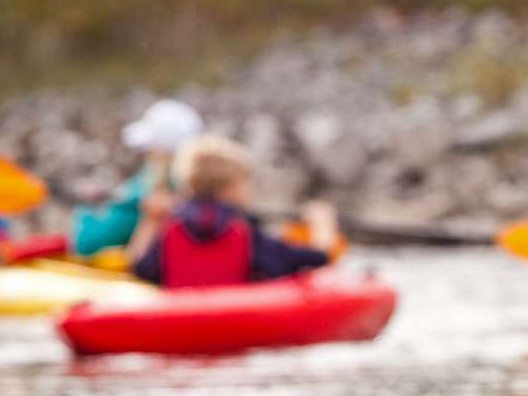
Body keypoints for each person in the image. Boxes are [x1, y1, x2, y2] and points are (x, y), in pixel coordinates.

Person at [131, 134, 338, 288]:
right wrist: (323, 223)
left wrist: (149, 220)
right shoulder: (245, 229)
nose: (251, 189)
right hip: (234, 324)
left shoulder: (171, 226)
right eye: (247, 182)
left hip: (178, 321)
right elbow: (319, 258)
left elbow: (140, 269)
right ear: (230, 187)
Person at [72, 99, 204, 259]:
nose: (145, 155)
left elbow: (87, 244)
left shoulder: (147, 191)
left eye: (150, 151)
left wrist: (87, 208)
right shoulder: (207, 195)